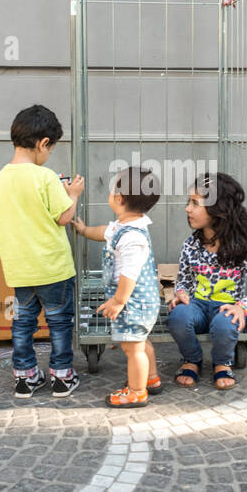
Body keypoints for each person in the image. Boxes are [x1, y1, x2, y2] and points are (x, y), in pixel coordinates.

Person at [0, 104, 85, 398]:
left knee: (22, 323)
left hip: (19, 269)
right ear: (43, 143)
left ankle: (26, 376)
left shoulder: (2, 176)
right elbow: (63, 217)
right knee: (58, 323)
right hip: (52, 268)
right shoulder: (44, 177)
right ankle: (61, 376)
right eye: (51, 149)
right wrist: (72, 195)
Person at [166, 172, 247, 391]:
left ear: (218, 210)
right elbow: (183, 279)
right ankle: (192, 359)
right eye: (189, 202)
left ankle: (222, 362)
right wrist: (181, 292)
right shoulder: (191, 245)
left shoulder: (242, 247)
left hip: (227, 309)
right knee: (177, 315)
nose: (188, 208)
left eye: (195, 203)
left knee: (225, 324)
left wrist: (241, 307)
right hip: (198, 306)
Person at [74, 167, 163, 407]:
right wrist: (83, 230)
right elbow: (103, 232)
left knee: (133, 348)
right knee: (141, 342)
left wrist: (118, 301)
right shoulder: (122, 226)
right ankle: (151, 379)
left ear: (119, 198)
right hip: (137, 302)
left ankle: (137, 391)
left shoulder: (133, 237)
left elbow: (129, 274)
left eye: (113, 188)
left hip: (133, 303)